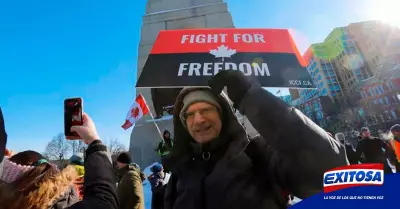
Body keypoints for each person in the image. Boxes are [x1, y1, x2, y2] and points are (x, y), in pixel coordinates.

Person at [162, 70, 347, 209]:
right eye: (190, 114)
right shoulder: (179, 173)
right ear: (184, 124)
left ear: (223, 116)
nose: (199, 119)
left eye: (207, 110)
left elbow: (328, 172)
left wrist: (253, 99)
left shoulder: (258, 153)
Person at [0, 112, 119, 209]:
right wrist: (94, 140)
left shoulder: (9, 200)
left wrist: (6, 164)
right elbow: (103, 199)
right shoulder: (68, 193)